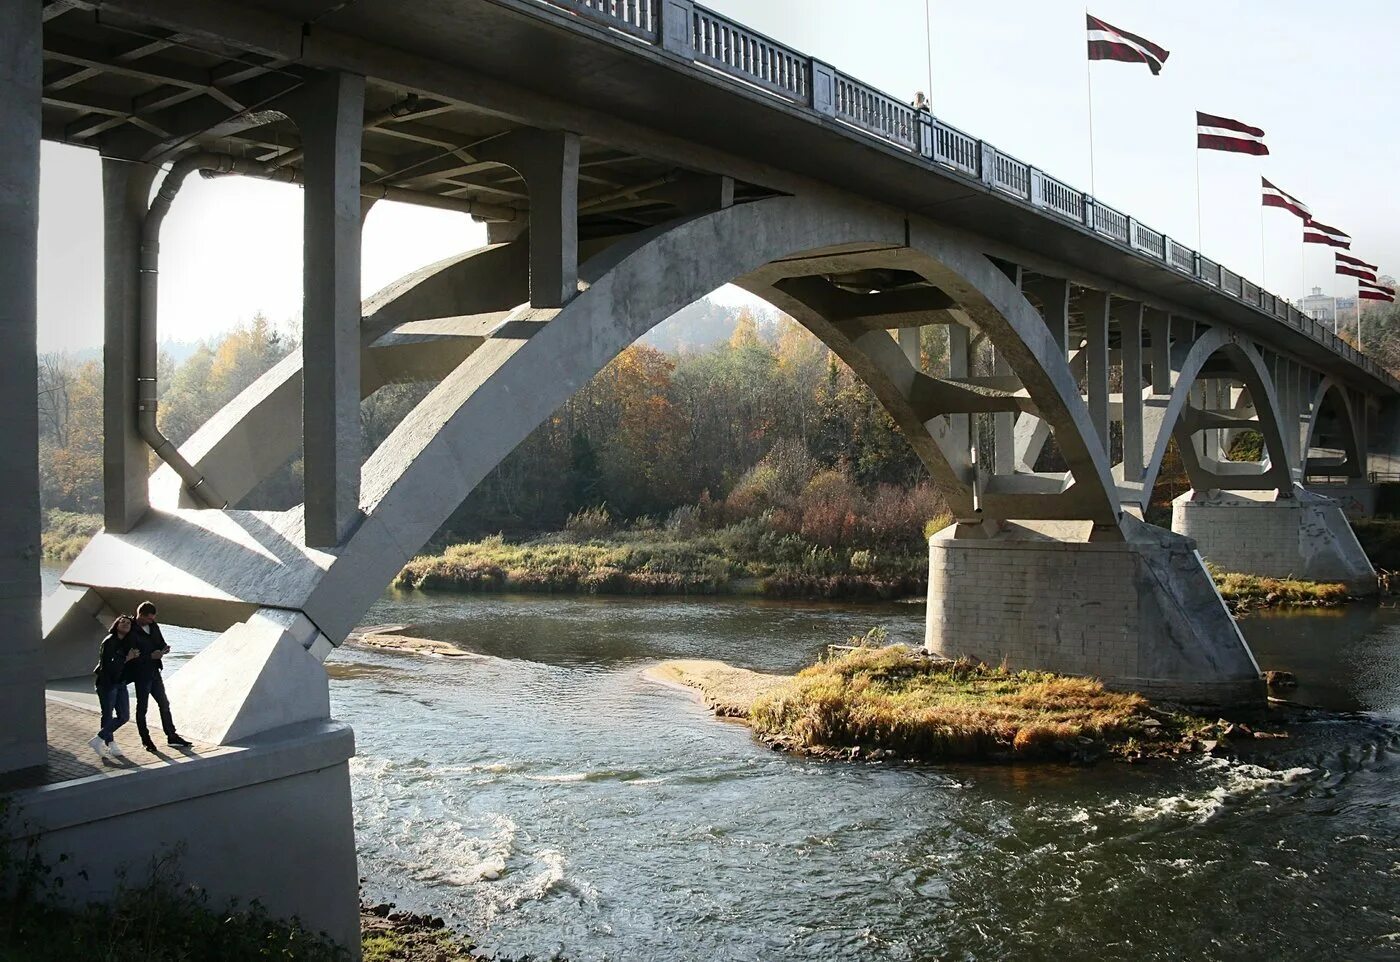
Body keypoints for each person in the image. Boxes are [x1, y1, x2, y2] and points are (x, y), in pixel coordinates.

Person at [129, 601, 191, 752]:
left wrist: (164, 649)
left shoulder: (154, 626)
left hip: (154, 672)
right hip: (141, 673)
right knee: (142, 708)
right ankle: (146, 740)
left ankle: (171, 736)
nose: (152, 621)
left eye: (153, 618)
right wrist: (150, 656)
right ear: (141, 615)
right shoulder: (131, 629)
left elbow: (160, 642)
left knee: (164, 703)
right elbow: (130, 654)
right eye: (149, 618)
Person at [88, 614, 139, 758]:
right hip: (107, 683)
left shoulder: (129, 642)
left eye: (128, 623)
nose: (125, 624)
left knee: (124, 716)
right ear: (116, 625)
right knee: (108, 715)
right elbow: (107, 665)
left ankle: (99, 739)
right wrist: (127, 658)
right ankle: (110, 744)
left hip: (121, 683)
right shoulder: (109, 641)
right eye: (122, 622)